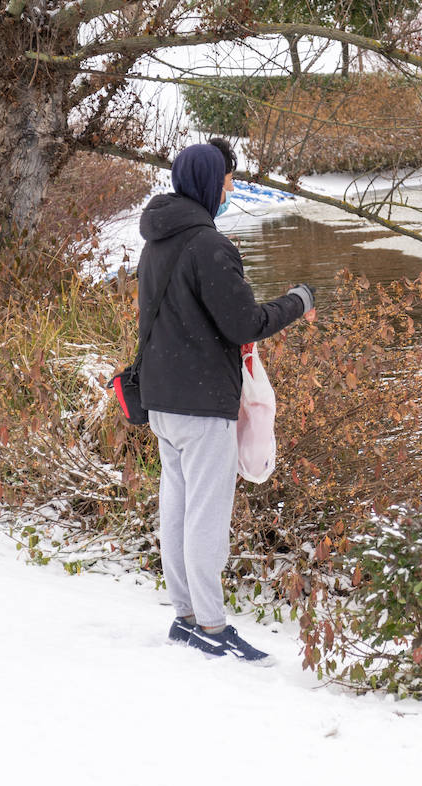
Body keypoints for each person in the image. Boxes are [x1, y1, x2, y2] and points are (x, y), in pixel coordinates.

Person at [136, 141, 315, 664]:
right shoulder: (209, 246)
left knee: (177, 508)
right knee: (206, 516)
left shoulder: (156, 242)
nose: (230, 189)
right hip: (201, 403)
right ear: (208, 183)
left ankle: (186, 618)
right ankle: (211, 625)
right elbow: (244, 324)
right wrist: (298, 301)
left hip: (163, 401)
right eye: (226, 180)